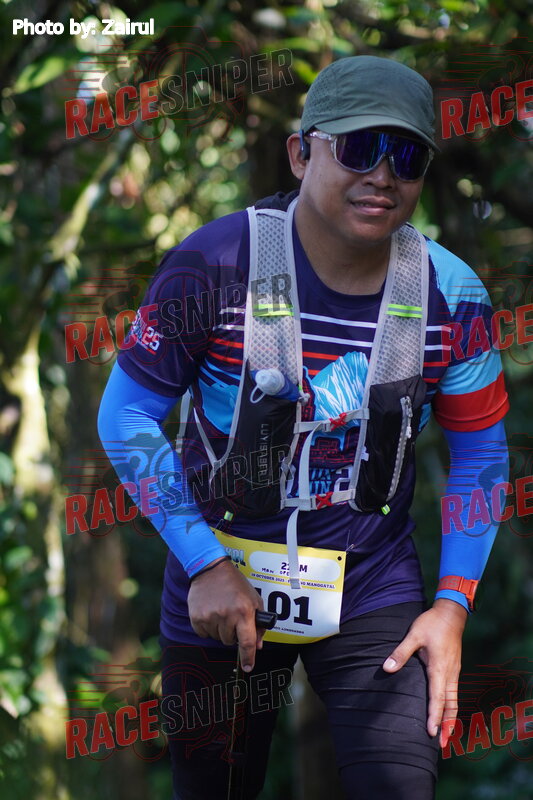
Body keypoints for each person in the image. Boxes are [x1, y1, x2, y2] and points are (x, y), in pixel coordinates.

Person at [98, 56, 509, 800]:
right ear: (300, 153)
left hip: (370, 579)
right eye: (358, 148)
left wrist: (452, 605)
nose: (381, 176)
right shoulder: (212, 264)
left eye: (406, 157)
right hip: (219, 572)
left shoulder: (454, 295)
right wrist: (203, 564)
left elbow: (480, 451)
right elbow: (125, 415)